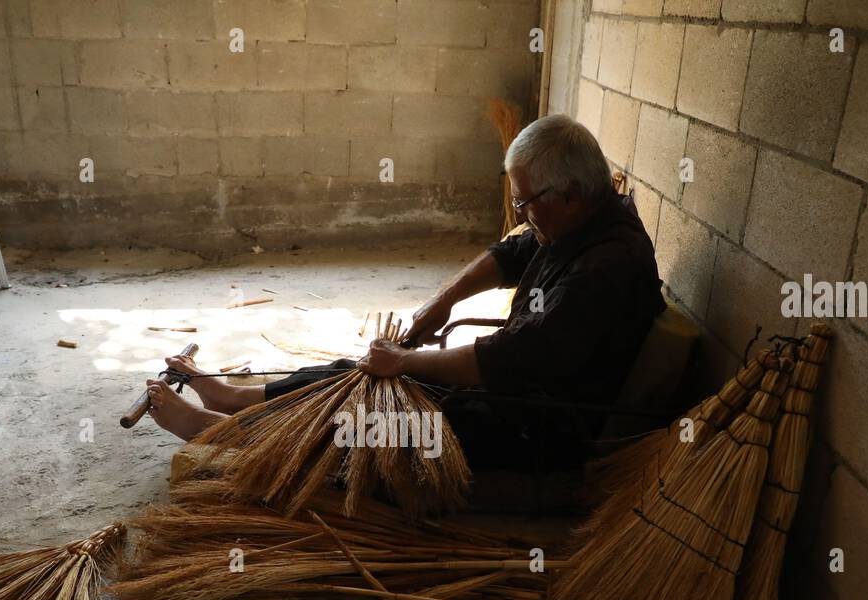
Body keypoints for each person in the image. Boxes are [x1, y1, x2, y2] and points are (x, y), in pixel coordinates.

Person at [146, 113, 665, 469]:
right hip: (514, 391)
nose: (522, 214)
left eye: (525, 202)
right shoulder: (585, 220)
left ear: (569, 194)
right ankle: (237, 398)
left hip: (540, 427)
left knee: (377, 421)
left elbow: (511, 358)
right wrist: (442, 301)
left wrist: (406, 363)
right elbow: (515, 252)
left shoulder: (606, 268)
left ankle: (224, 436)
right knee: (354, 374)